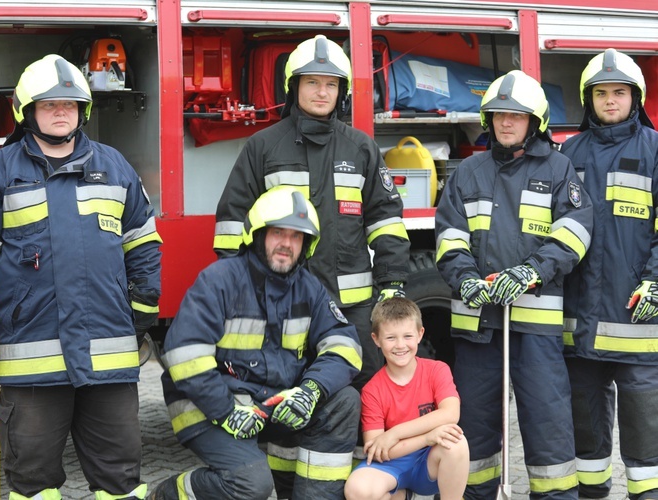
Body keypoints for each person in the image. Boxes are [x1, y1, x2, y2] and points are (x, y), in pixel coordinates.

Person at [0, 54, 162, 499]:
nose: (61, 112)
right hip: (33, 367)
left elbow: (142, 245)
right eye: (49, 105)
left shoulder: (115, 166)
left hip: (108, 364)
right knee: (32, 482)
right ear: (28, 113)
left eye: (69, 103)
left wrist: (142, 309)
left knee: (120, 481)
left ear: (82, 110)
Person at [213, 34, 411, 390]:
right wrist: (241, 287)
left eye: (331, 84)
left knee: (359, 382)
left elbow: (386, 220)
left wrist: (392, 283)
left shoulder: (361, 148)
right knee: (284, 381)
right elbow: (232, 222)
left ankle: (362, 448)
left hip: (351, 304)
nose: (322, 92)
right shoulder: (262, 147)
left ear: (342, 92)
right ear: (294, 87)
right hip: (281, 299)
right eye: (313, 82)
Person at [434, 69, 594, 499]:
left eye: (516, 116)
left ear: (534, 122)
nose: (506, 122)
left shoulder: (559, 169)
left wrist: (530, 272)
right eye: (499, 115)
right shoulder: (468, 172)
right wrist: (466, 279)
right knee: (475, 429)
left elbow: (575, 232)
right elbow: (449, 236)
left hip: (535, 327)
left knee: (548, 426)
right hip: (477, 325)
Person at [149, 186, 363, 500]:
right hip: (208, 407)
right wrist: (225, 412)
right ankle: (171, 493)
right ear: (258, 234)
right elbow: (184, 355)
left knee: (344, 400)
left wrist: (311, 390)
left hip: (268, 405)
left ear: (306, 245)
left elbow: (344, 343)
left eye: (296, 237)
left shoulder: (309, 288)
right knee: (251, 485)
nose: (286, 244)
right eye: (278, 233)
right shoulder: (219, 280)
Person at [560, 49, 658, 500]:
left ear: (635, 97)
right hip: (579, 317)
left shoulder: (654, 150)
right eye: (602, 92)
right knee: (585, 416)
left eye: (620, 92)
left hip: (636, 314)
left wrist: (656, 279)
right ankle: (592, 491)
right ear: (589, 99)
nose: (611, 100)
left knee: (644, 418)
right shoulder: (568, 152)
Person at [344, 297, 469, 500]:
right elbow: (377, 449)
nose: (400, 345)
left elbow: (451, 413)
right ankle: (399, 494)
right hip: (392, 464)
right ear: (376, 339)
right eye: (391, 338)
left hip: (429, 461)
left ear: (420, 334)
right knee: (357, 490)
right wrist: (426, 437)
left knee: (456, 442)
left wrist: (394, 434)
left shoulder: (437, 370)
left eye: (407, 336)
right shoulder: (372, 390)